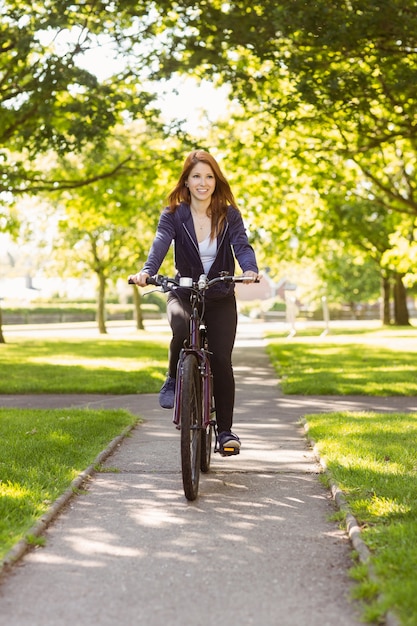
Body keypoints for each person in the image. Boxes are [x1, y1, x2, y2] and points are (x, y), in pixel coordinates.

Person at [129, 149, 259, 455]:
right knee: (180, 327)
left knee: (222, 360)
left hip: (220, 294)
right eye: (197, 176)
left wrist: (249, 269)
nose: (203, 182)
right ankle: (174, 378)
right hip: (183, 291)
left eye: (209, 176)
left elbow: (242, 246)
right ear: (186, 181)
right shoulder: (174, 214)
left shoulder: (230, 216)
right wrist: (148, 271)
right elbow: (160, 243)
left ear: (216, 180)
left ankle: (225, 432)